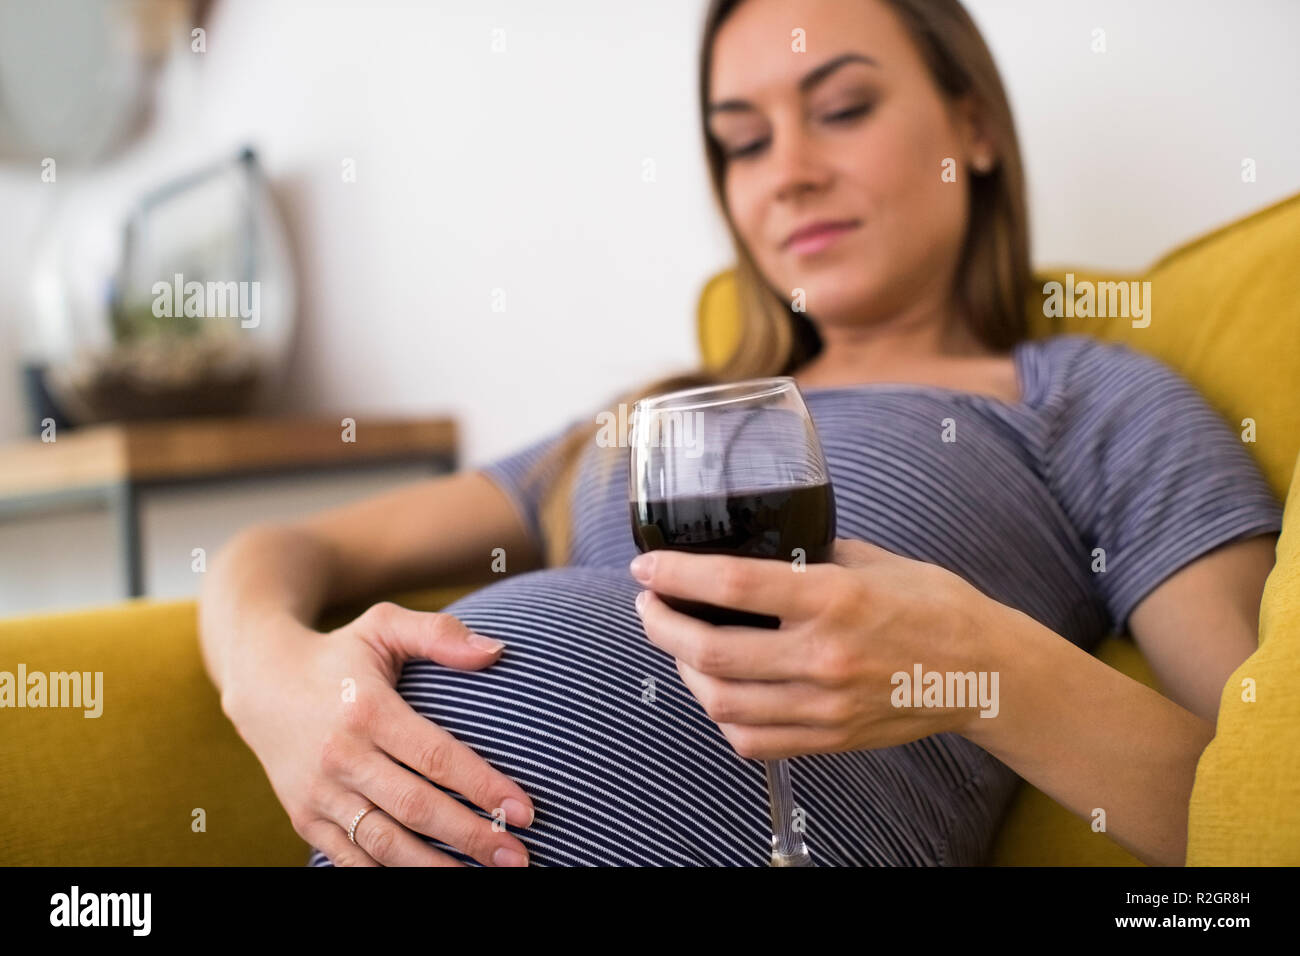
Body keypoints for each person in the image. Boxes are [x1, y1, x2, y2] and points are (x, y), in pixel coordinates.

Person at [198, 0, 1281, 867]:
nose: (788, 170)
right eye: (742, 142)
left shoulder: (1092, 401)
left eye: (843, 108)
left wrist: (977, 662)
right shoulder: (650, 418)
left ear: (974, 128)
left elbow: (1261, 800)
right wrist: (276, 682)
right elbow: (289, 549)